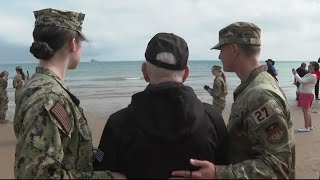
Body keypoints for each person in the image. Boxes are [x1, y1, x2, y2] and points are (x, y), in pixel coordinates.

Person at [93, 33, 229, 178]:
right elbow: (226, 167)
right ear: (185, 74)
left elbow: (101, 170)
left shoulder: (118, 123)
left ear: (144, 71)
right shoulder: (213, 118)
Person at [171, 22, 295, 179]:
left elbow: (278, 167)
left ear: (234, 50)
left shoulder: (260, 95)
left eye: (221, 50)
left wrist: (219, 173)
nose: (219, 56)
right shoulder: (256, 85)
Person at [13, 8, 125, 179]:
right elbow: (36, 175)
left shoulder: (37, 86)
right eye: (81, 43)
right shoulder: (49, 97)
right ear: (73, 44)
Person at [292, 62, 319, 132]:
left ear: (313, 67)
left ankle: (306, 127)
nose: (308, 65)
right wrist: (298, 90)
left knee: (305, 111)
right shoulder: (309, 74)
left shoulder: (313, 76)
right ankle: (310, 126)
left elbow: (302, 81)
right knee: (306, 111)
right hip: (305, 94)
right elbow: (302, 82)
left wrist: (295, 74)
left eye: (310, 64)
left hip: (307, 94)